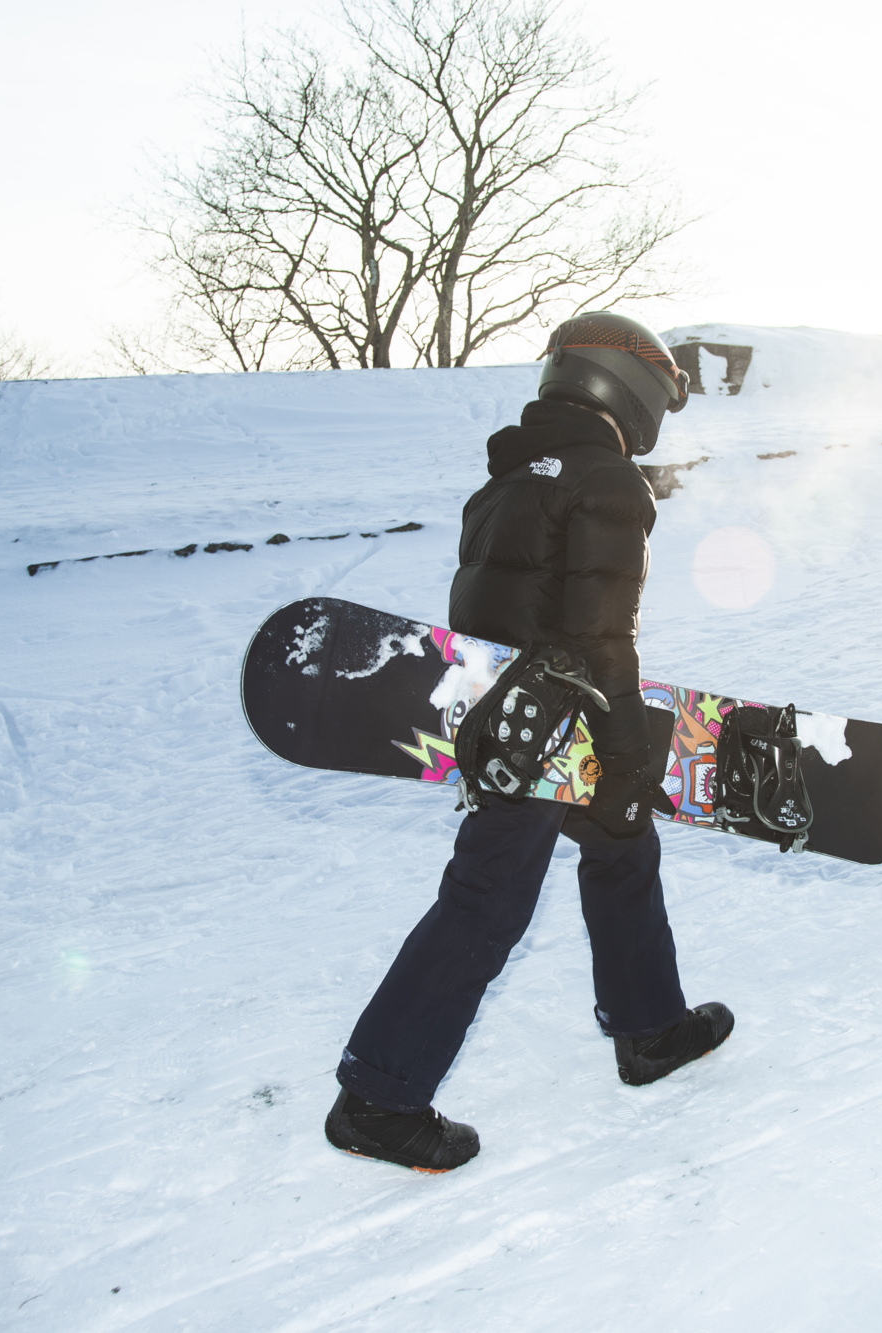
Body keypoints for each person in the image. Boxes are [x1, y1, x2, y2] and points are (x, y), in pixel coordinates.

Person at [324, 311, 736, 1173]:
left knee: (623, 848)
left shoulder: (508, 479)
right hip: (563, 724)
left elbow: (487, 611)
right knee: (486, 901)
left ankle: (649, 1026)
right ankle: (379, 1097)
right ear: (625, 385)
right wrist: (624, 750)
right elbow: (602, 629)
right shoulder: (609, 481)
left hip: (504, 718)